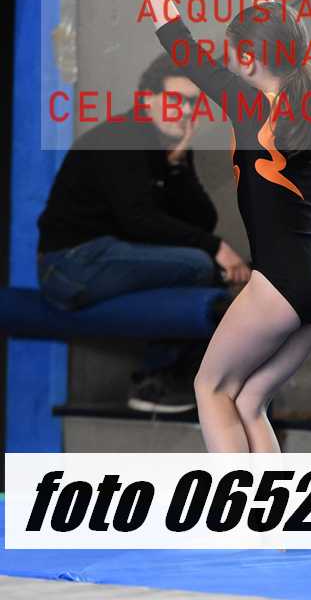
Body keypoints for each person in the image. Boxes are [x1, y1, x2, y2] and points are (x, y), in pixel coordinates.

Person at [119, 0, 311, 452]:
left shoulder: (247, 104)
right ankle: (271, 511)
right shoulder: (309, 92)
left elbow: (175, 37)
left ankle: (239, 508)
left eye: (233, 54)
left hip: (282, 282)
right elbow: (277, 31)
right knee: (249, 401)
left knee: (211, 388)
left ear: (246, 61)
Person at [37, 53, 251, 413]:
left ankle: (175, 378)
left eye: (191, 103)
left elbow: (202, 219)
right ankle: (156, 382)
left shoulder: (166, 144)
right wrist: (217, 249)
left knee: (205, 266)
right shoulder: (123, 137)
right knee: (199, 265)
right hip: (68, 266)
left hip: (108, 256)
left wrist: (178, 166)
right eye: (174, 100)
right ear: (146, 100)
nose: (184, 111)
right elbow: (139, 220)